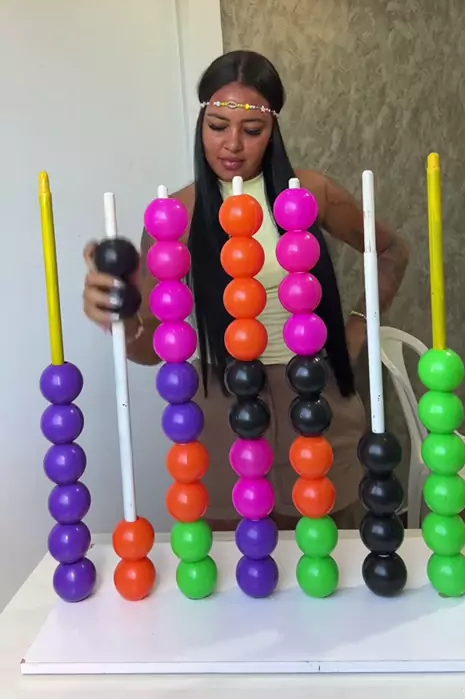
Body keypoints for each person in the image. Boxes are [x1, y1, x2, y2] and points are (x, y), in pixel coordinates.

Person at [83, 50, 409, 530]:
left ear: (272, 129)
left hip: (312, 396)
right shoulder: (175, 216)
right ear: (202, 123)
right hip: (222, 405)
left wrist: (356, 332)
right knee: (234, 558)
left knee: (324, 548)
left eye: (252, 130)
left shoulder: (308, 194)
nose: (232, 144)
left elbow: (392, 251)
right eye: (218, 126)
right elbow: (152, 347)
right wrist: (121, 317)